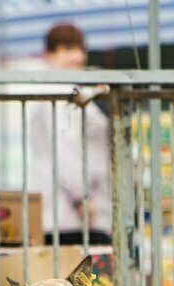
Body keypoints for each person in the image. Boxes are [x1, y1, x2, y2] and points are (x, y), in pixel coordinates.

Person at [27, 24, 112, 245]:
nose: (76, 56)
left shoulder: (72, 90)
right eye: (66, 49)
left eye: (79, 49)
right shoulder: (56, 92)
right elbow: (64, 150)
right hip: (71, 213)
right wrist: (81, 198)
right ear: (50, 54)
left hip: (75, 210)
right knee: (77, 277)